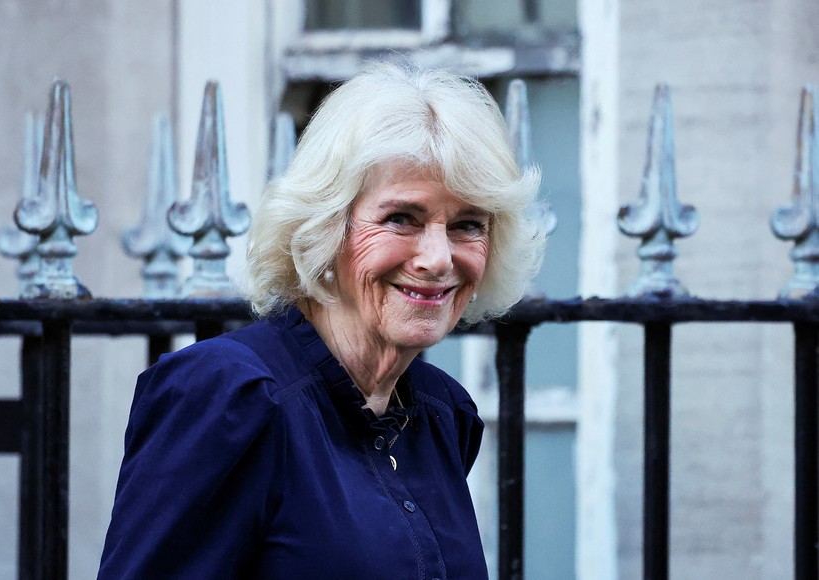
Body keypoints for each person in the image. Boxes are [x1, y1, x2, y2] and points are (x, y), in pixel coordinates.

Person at [98, 62, 544, 579]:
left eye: (469, 225)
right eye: (402, 218)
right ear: (325, 227)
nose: (439, 258)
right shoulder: (228, 397)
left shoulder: (443, 413)